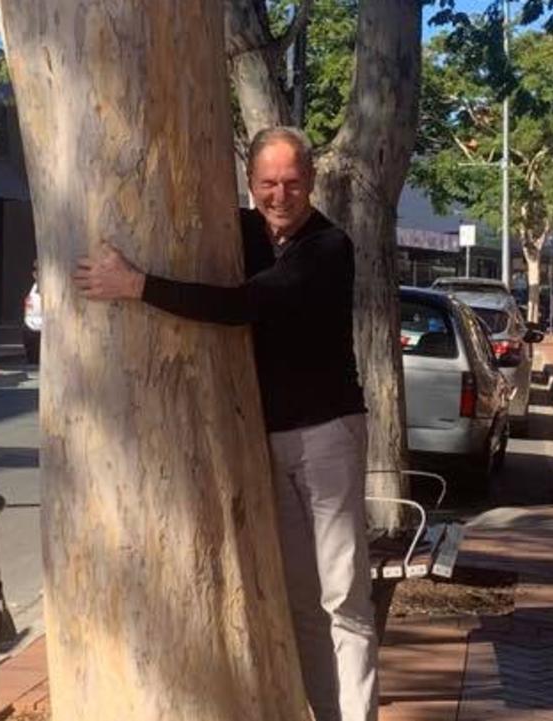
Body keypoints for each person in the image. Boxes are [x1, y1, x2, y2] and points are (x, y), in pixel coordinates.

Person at [73, 126, 377, 721]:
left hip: (328, 435)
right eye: (268, 183)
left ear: (312, 182)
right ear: (251, 182)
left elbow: (241, 307)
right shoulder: (241, 232)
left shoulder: (328, 248)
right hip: (267, 438)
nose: (280, 194)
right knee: (300, 600)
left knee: (345, 596)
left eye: (292, 182)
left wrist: (135, 286)